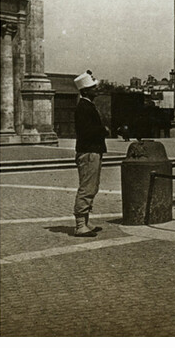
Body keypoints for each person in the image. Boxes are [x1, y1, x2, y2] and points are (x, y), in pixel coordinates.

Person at [72, 70, 107, 237]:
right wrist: (103, 130)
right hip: (89, 152)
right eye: (93, 88)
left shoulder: (86, 105)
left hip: (92, 151)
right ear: (85, 91)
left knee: (92, 186)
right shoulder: (84, 107)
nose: (96, 90)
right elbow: (88, 131)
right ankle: (80, 225)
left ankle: (85, 221)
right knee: (87, 188)